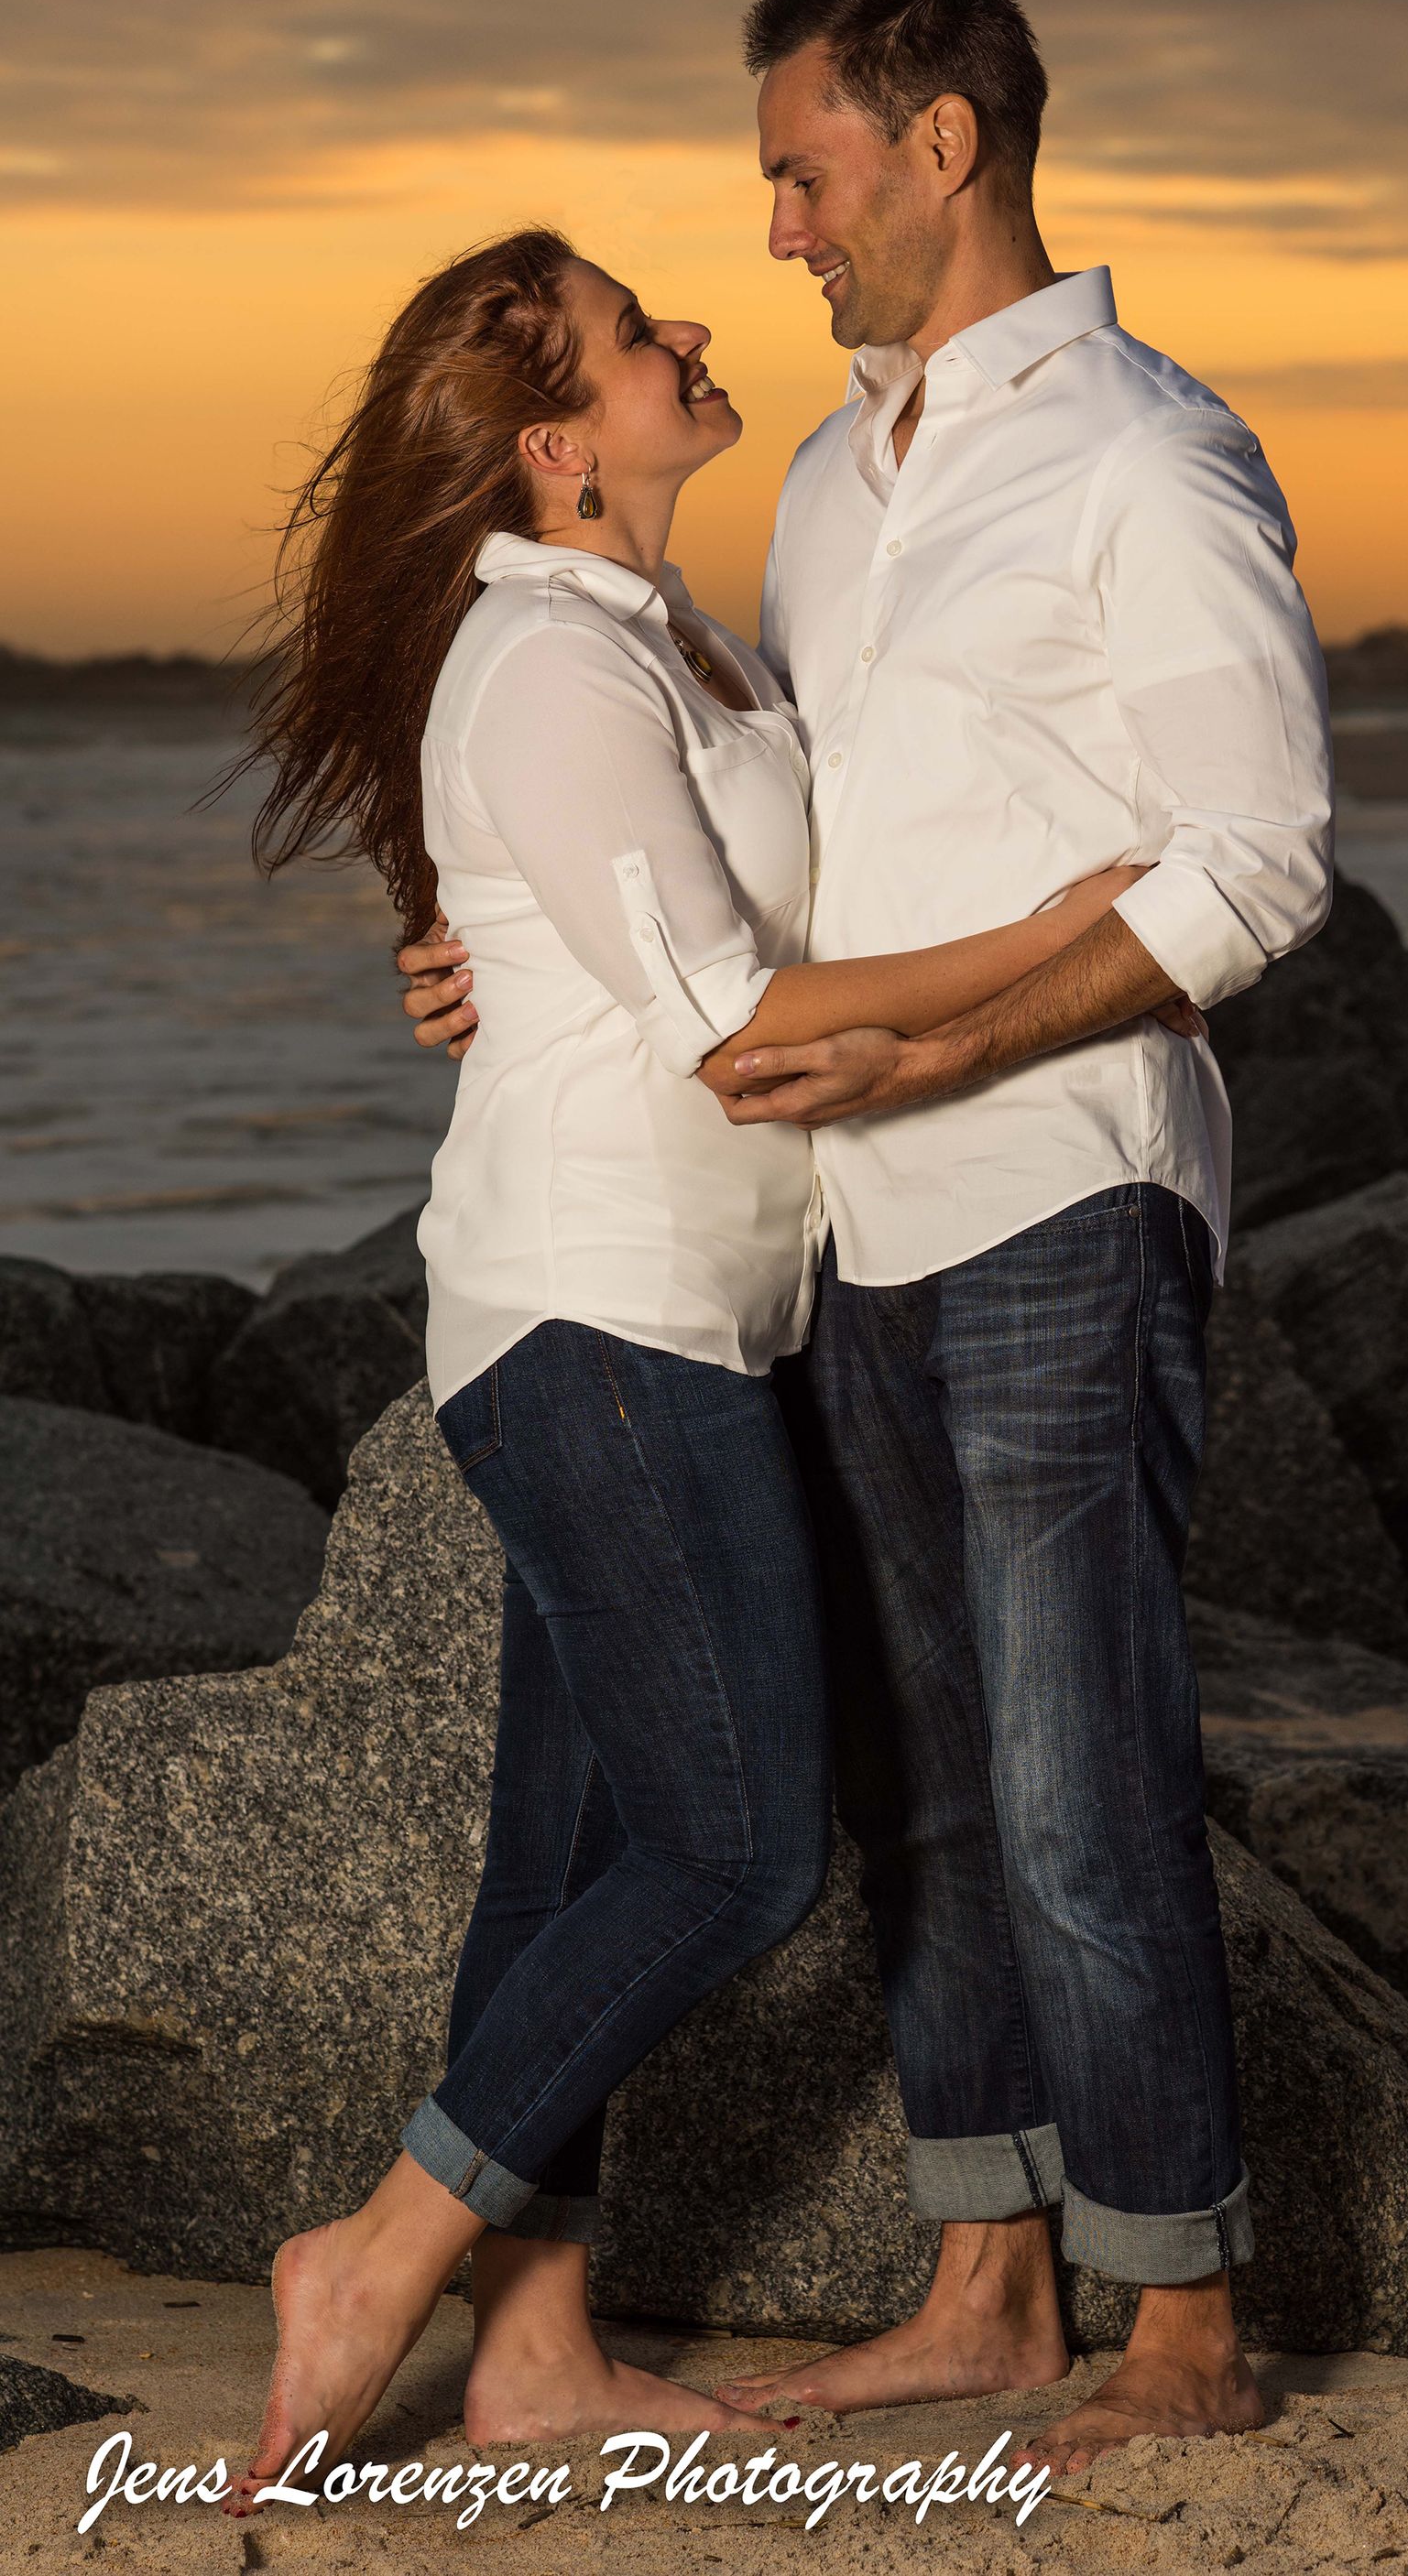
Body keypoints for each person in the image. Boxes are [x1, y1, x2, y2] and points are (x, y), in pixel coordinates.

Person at [400, 0, 1334, 2477]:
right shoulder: (825, 482)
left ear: (941, 149)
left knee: (1079, 1768)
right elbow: (754, 839)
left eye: (803, 170)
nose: (778, 226)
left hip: (1058, 1188)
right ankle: (989, 2278)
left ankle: (1181, 2317)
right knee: (928, 1779)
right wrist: (508, 945)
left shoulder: (1146, 454)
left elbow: (1257, 864)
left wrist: (967, 1031)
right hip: (848, 1237)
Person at [217, 222, 1171, 2513]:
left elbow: (646, 922)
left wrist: (466, 939)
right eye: (645, 336)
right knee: (738, 1845)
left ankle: (532, 2341)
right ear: (560, 443)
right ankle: (378, 2254)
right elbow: (733, 1018)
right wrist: (1081, 931)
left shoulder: (667, 636)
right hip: (597, 1313)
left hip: (680, 1312)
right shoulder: (549, 663)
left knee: (555, 1861)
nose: (694, 335)